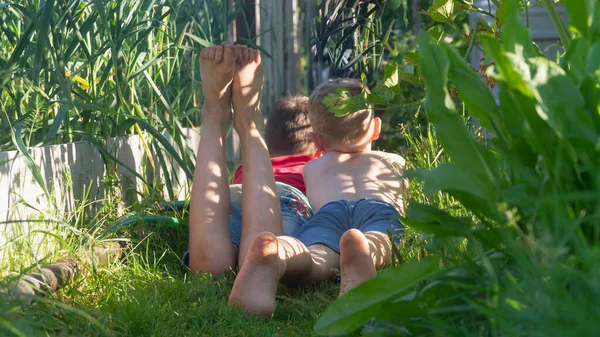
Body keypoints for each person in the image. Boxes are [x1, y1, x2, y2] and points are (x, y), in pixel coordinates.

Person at [228, 78, 407, 317]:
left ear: (317, 142)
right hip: (376, 210)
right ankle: (361, 251)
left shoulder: (313, 167)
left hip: (329, 215)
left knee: (315, 256)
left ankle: (278, 253)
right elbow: (403, 203)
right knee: (380, 241)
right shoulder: (392, 161)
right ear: (376, 128)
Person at [185, 42, 317, 276]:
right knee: (261, 256)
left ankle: (215, 117)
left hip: (237, 193)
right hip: (286, 201)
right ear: (318, 148)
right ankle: (248, 122)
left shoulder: (247, 168)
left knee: (208, 265)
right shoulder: (316, 165)